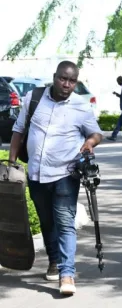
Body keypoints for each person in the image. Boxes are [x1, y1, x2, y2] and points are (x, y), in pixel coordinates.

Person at [8, 61, 103, 295]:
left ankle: (67, 274)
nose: (67, 84)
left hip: (65, 174)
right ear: (54, 77)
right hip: (37, 173)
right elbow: (18, 130)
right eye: (63, 79)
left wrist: (90, 142)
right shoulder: (34, 98)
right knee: (47, 221)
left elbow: (96, 133)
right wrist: (11, 162)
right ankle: (54, 261)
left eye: (72, 81)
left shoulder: (81, 106)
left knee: (64, 223)